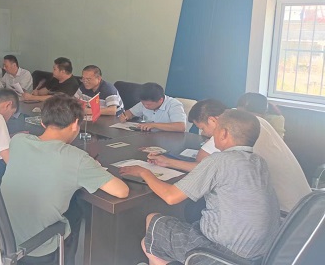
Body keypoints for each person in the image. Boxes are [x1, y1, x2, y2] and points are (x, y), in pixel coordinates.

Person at [120, 109, 280, 265]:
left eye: (216, 129)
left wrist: (144, 172)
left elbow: (171, 197)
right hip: (258, 254)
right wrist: (168, 162)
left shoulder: (219, 160)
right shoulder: (259, 162)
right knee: (152, 241)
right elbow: (209, 171)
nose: (210, 135)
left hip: (221, 254)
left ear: (224, 134)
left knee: (152, 222)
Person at [1, 94, 129, 265]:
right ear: (76, 124)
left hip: (4, 237)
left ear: (42, 122)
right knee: (75, 212)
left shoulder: (18, 141)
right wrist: (91, 167)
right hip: (39, 247)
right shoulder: (76, 158)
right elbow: (121, 191)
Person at [148, 98, 311, 213]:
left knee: (196, 206)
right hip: (305, 206)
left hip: (282, 212)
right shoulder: (251, 121)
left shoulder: (230, 129)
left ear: (213, 121)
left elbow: (202, 165)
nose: (203, 133)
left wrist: (168, 162)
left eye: (203, 128)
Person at [119, 82, 186, 132]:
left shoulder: (174, 105)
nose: (145, 106)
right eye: (143, 103)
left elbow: (181, 127)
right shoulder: (145, 102)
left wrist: (154, 125)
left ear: (160, 100)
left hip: (169, 139)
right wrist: (125, 116)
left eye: (149, 104)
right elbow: (130, 113)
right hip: (149, 136)